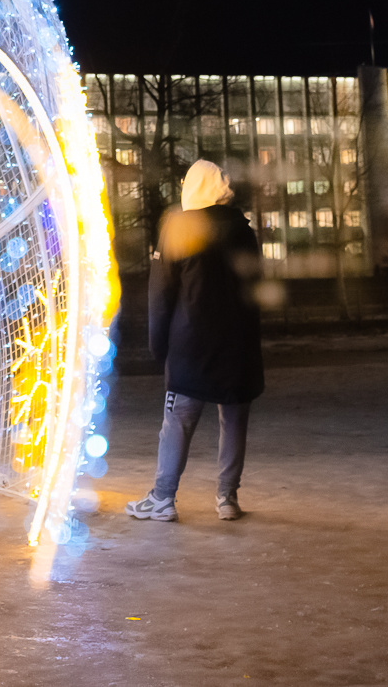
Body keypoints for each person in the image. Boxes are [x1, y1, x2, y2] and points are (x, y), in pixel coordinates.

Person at [127, 159, 263, 523]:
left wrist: (159, 348)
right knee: (234, 419)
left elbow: (161, 296)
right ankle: (227, 498)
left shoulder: (179, 228)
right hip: (238, 345)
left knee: (178, 420)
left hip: (191, 346)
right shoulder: (243, 229)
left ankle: (163, 498)